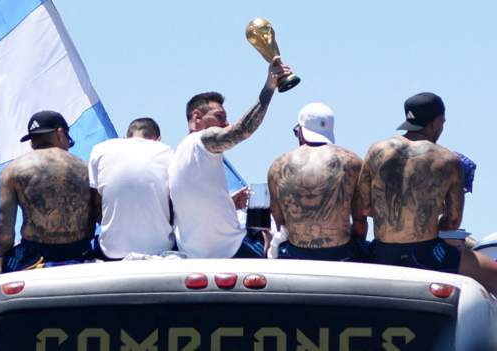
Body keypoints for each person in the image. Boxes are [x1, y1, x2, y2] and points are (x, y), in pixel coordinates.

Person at [0, 111, 98, 351]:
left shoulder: (13, 172)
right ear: (60, 134)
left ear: (34, 139)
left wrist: (4, 254)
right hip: (82, 253)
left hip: (34, 257)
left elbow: (5, 233)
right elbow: (99, 218)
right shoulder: (87, 170)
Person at [355, 92, 497, 293]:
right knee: (494, 274)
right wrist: (429, 220)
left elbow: (363, 208)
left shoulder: (376, 150)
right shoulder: (447, 159)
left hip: (381, 253)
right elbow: (453, 222)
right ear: (436, 123)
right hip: (425, 254)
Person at [168, 56, 292, 258]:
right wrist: (269, 87)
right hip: (233, 251)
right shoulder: (200, 140)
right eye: (219, 117)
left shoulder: (180, 156)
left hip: (192, 255)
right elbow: (242, 130)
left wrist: (228, 203)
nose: (226, 123)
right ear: (197, 117)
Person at [267, 102, 368, 261]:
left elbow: (279, 221)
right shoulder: (353, 162)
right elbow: (360, 221)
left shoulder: (278, 165)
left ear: (300, 131)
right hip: (342, 254)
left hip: (296, 254)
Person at [88, 117, 174, 260]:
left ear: (125, 137)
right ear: (158, 139)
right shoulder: (166, 151)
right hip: (161, 250)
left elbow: (94, 204)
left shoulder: (100, 150)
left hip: (111, 252)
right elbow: (174, 205)